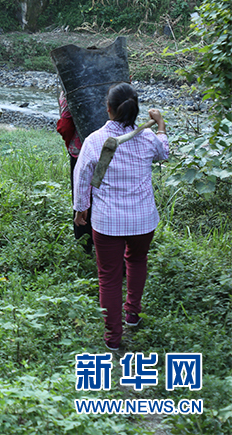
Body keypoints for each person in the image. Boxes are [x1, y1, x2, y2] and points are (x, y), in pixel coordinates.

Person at [72, 83, 169, 351]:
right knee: (137, 261)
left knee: (109, 277)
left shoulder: (95, 141)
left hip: (107, 223)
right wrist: (160, 124)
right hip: (142, 221)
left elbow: (83, 178)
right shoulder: (148, 138)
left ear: (108, 109)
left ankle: (113, 339)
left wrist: (82, 209)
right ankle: (132, 315)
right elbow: (164, 153)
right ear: (136, 111)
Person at [57, 88, 93, 254]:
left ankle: (84, 245)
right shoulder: (116, 84)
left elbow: (65, 125)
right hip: (114, 150)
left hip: (81, 152)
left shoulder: (73, 86)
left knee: (82, 195)